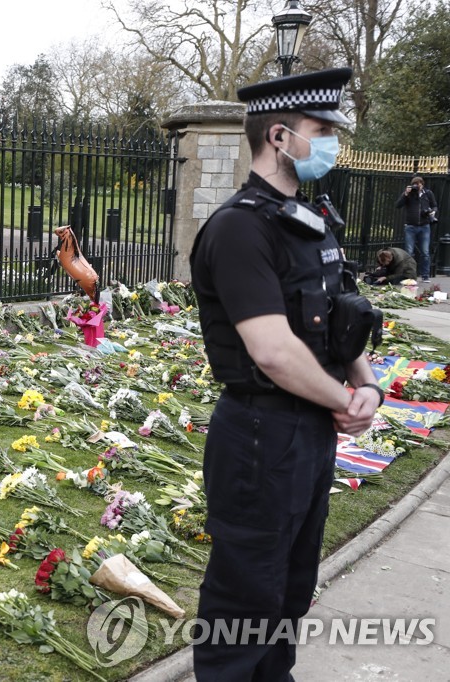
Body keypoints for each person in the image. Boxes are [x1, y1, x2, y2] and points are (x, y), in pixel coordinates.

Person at [190, 68, 383, 681]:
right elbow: (271, 349)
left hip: (309, 432)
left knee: (291, 587)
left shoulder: (310, 217)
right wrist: (344, 400)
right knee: (246, 595)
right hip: (258, 436)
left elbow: (344, 317)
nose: (331, 145)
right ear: (278, 136)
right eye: (321, 131)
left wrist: (368, 384)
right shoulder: (240, 226)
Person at [394, 175, 438, 282]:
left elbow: (434, 205)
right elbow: (398, 205)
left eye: (418, 184)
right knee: (409, 252)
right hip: (410, 226)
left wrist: (433, 212)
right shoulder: (409, 195)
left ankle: (425, 275)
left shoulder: (428, 194)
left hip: (424, 226)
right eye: (414, 184)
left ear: (422, 184)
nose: (416, 187)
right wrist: (405, 194)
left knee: (425, 252)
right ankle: (410, 275)